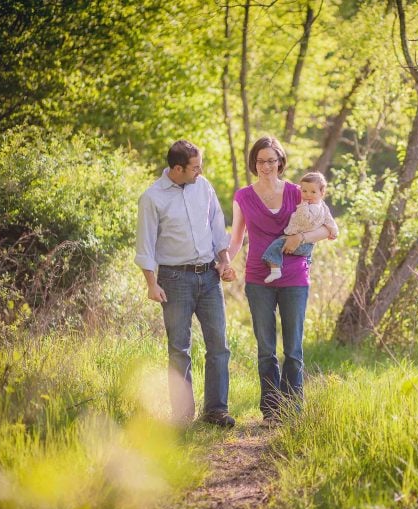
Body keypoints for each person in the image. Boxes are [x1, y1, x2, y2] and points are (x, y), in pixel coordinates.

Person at [227, 136, 331, 425]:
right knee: (266, 349)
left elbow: (327, 228)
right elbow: (236, 239)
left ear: (280, 162)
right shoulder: (243, 196)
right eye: (261, 161)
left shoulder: (299, 192)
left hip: (295, 276)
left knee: (294, 349)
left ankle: (292, 410)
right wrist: (224, 261)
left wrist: (301, 237)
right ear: (254, 163)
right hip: (258, 278)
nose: (266, 166)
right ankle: (272, 411)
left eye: (272, 160)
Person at [134, 139, 236, 428]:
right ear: (177, 168)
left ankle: (216, 411)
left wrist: (225, 260)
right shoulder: (152, 198)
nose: (200, 171)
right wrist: (151, 284)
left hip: (209, 276)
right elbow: (146, 245)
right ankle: (182, 416)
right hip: (174, 278)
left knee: (219, 345)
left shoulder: (203, 187)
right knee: (180, 348)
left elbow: (217, 227)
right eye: (195, 167)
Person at [261, 171, 338, 283]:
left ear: (322, 192)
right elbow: (330, 220)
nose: (308, 195)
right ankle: (305, 264)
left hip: (302, 244)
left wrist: (302, 204)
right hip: (308, 246)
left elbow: (303, 218)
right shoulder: (323, 207)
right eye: (304, 191)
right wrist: (334, 231)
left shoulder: (307, 207)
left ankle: (275, 270)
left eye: (313, 192)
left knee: (275, 246)